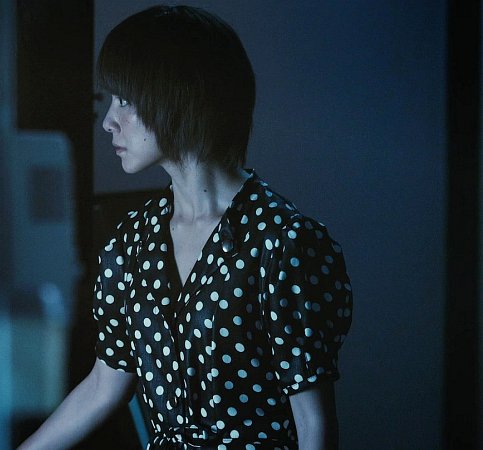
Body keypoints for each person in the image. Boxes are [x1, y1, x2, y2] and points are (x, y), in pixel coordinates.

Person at [18, 5, 352, 450]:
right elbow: (102, 386)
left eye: (125, 100)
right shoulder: (131, 244)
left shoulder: (282, 242)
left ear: (177, 97)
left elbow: (314, 425)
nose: (108, 121)